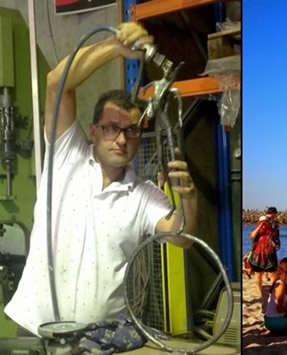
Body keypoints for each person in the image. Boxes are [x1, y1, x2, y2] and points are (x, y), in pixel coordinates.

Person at [3, 22, 198, 336]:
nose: (121, 139)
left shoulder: (143, 195)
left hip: (100, 337)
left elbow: (180, 237)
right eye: (111, 127)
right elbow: (56, 83)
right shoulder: (67, 156)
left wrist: (189, 198)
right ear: (94, 130)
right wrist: (115, 48)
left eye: (131, 130)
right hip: (36, 329)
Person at [249, 207, 280, 296]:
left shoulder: (268, 223)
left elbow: (253, 236)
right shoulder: (266, 223)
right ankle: (271, 291)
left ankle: (261, 292)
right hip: (266, 251)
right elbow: (253, 235)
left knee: (259, 274)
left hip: (259, 251)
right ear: (274, 213)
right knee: (272, 273)